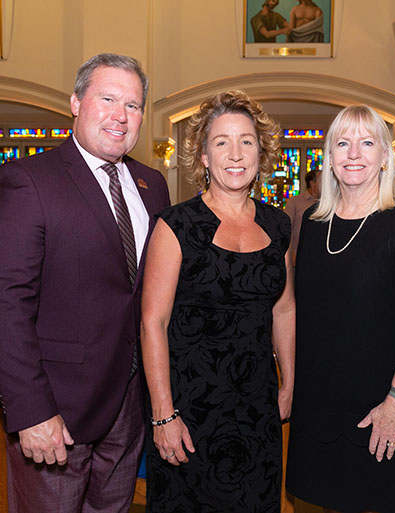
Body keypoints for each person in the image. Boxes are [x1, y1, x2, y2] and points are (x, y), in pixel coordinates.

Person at [0, 53, 170, 513]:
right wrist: (31, 411)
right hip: (56, 408)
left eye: (134, 104)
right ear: (75, 103)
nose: (121, 115)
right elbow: (5, 304)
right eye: (108, 99)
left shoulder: (152, 184)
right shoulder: (28, 180)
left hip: (128, 405)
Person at [141, 90, 295, 512]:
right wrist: (163, 414)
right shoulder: (177, 225)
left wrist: (289, 384)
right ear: (204, 156)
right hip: (189, 409)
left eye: (246, 141)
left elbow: (283, 308)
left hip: (256, 404)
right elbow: (152, 322)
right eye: (221, 141)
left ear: (261, 153)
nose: (236, 153)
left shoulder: (277, 224)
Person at [286, 105, 395, 513]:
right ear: (329, 158)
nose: (354, 153)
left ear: (386, 157)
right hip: (318, 404)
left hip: (380, 407)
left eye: (367, 142)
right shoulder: (315, 225)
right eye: (343, 143)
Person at [285, 168, 320, 265]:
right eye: (322, 180)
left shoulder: (328, 204)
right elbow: (285, 230)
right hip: (298, 258)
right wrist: (291, 254)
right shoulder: (295, 202)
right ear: (312, 183)